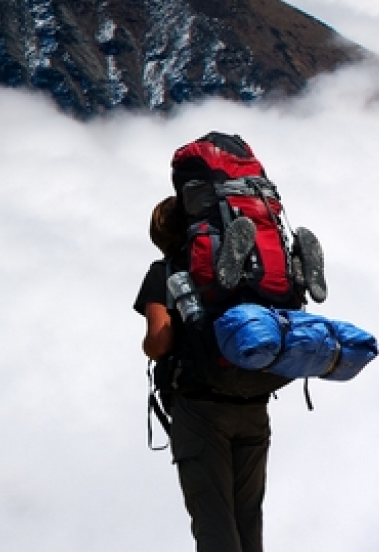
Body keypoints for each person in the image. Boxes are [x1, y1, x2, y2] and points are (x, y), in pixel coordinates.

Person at [136, 195, 274, 552]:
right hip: (252, 400)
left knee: (214, 521)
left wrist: (148, 347)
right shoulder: (240, 269)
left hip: (200, 410)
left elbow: (160, 340)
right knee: (248, 519)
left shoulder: (163, 272)